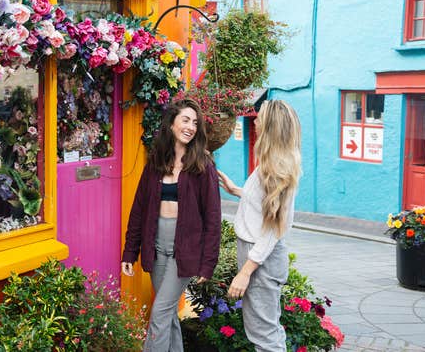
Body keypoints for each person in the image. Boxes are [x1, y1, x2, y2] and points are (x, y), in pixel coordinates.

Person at [121, 98, 222, 352]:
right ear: (172, 124)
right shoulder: (156, 162)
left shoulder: (203, 165)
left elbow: (212, 218)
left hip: (185, 250)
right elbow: (139, 210)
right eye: (185, 120)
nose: (190, 127)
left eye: (195, 123)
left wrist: (208, 263)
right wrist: (130, 252)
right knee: (167, 316)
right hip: (156, 247)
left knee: (160, 312)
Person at [217, 99, 302, 352]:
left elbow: (275, 229)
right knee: (263, 329)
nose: (255, 121)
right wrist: (238, 191)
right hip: (257, 254)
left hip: (260, 257)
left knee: (264, 333)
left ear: (271, 126)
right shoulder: (273, 162)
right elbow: (265, 206)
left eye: (259, 117)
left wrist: (246, 272)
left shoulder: (277, 168)